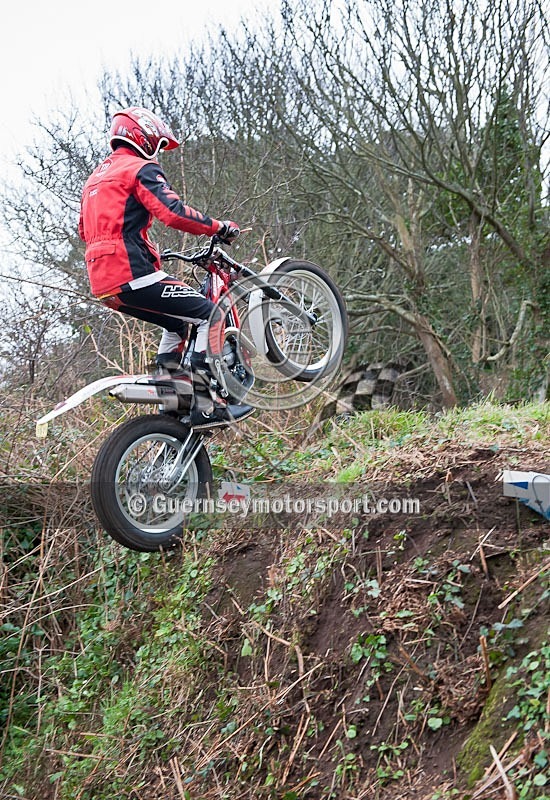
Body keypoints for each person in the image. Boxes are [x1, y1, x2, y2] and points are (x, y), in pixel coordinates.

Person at [78, 106, 253, 429]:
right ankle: (206, 405)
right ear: (142, 136)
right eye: (158, 145)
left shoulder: (94, 180)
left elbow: (84, 230)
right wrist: (218, 226)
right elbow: (172, 212)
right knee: (211, 316)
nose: (157, 153)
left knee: (176, 325)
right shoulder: (139, 168)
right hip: (132, 271)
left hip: (103, 282)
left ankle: (172, 402)